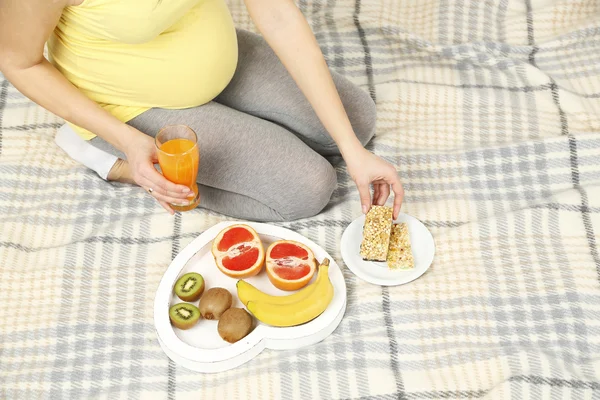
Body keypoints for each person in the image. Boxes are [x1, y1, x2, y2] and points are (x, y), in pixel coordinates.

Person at [0, 0, 404, 222]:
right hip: (127, 102)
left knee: (355, 120)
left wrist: (351, 149)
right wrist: (126, 139)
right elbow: (18, 61)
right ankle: (103, 152)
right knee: (306, 188)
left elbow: (277, 14)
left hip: (218, 57)